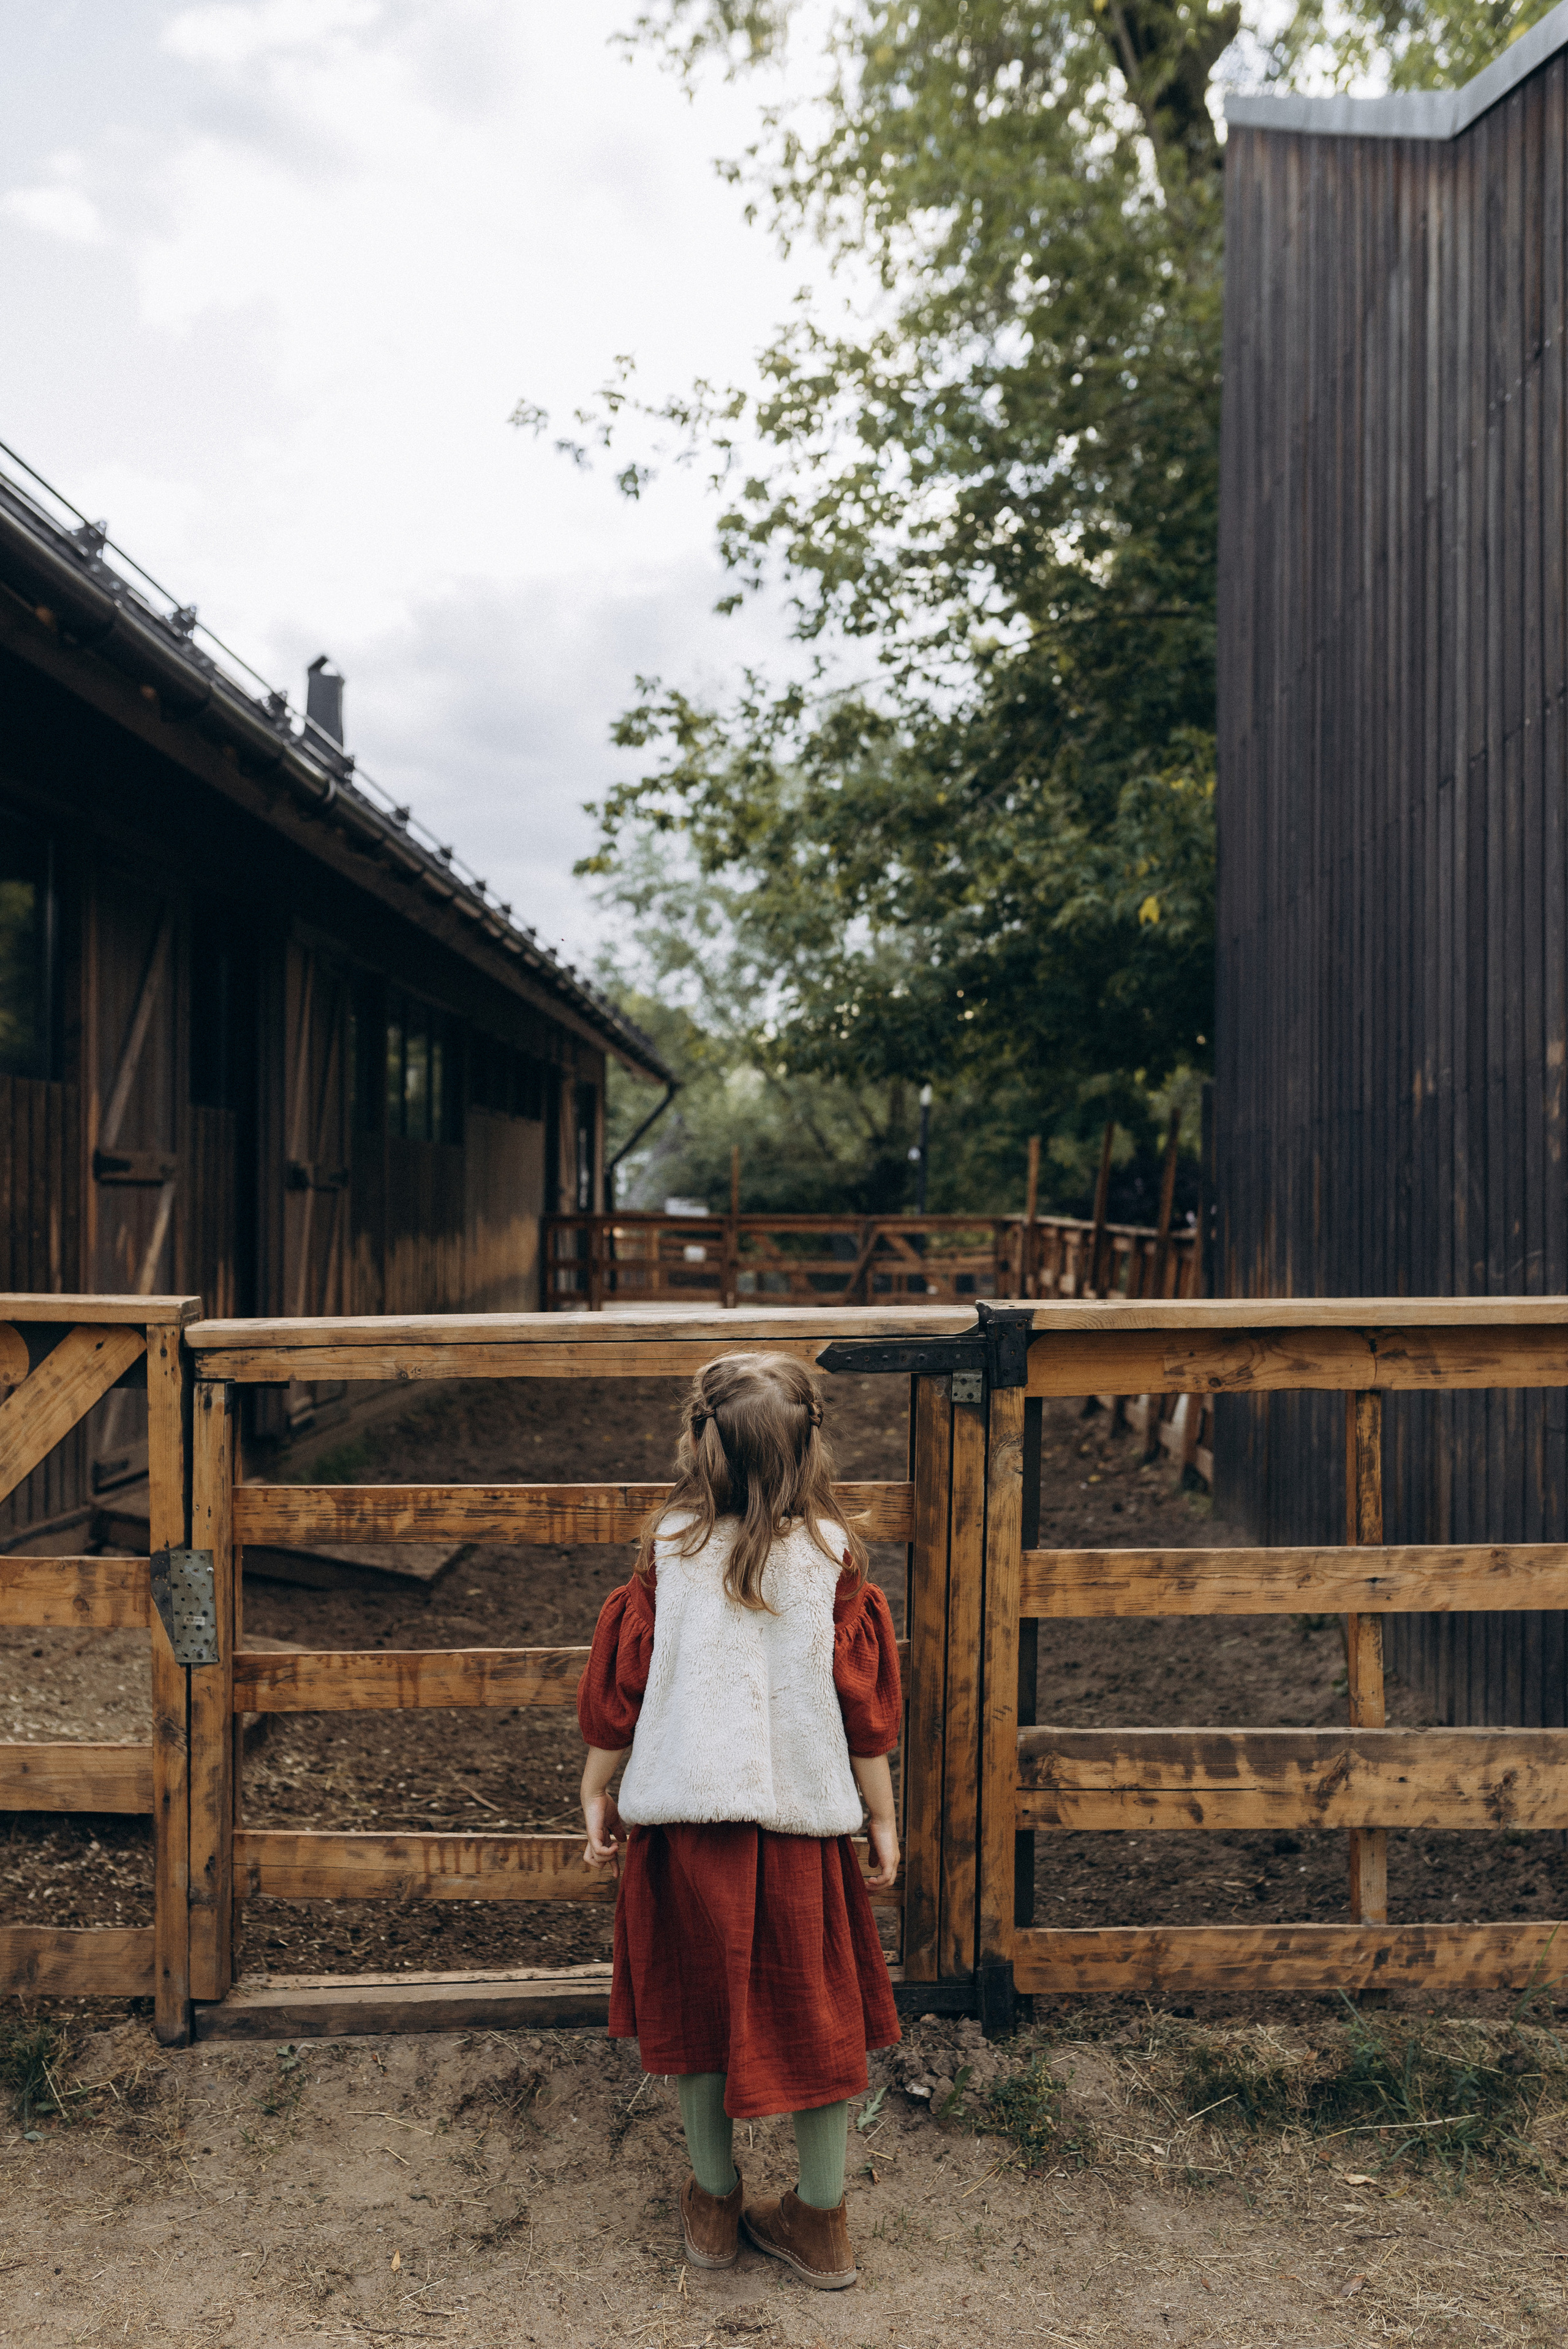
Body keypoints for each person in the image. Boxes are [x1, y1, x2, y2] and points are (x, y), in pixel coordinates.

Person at [577, 1351, 902, 2291]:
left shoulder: (669, 1551)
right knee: (818, 2012)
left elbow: (622, 1694)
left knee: (695, 2004)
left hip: (686, 1830)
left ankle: (715, 2205)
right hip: (803, 1829)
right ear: (809, 1450)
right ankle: (822, 2219)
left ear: (699, 1445)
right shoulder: (835, 1560)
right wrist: (880, 1819)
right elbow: (864, 1713)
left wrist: (597, 1787)